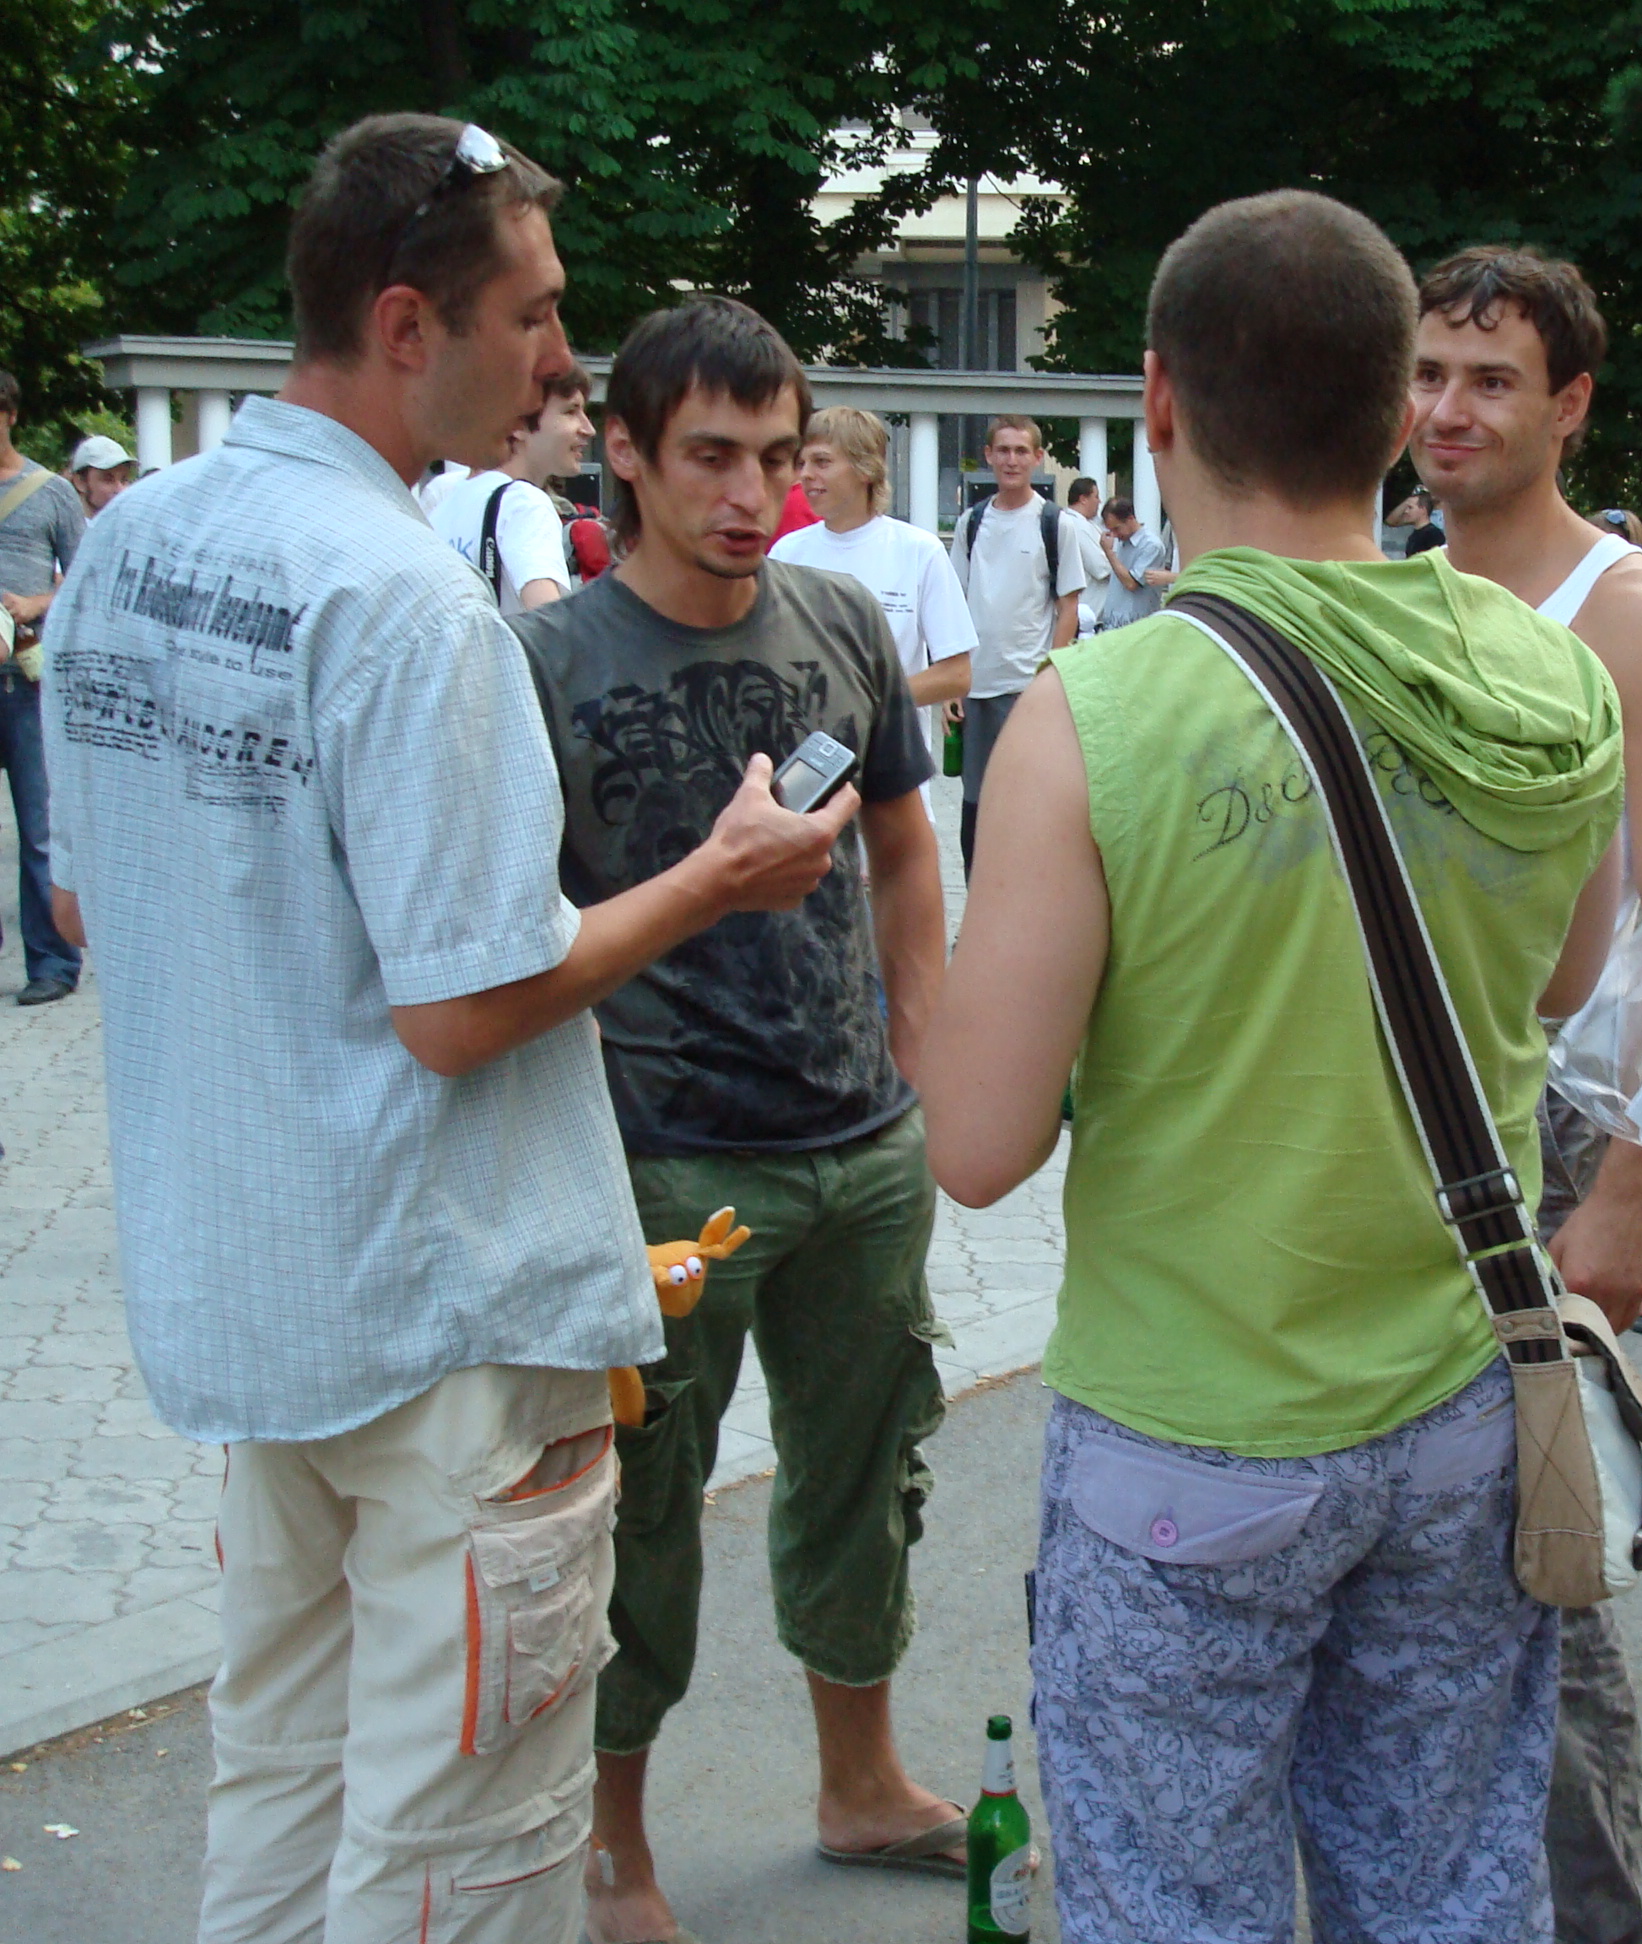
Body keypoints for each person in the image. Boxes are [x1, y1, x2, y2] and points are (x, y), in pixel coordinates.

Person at [38, 114, 853, 1941]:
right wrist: (715, 878)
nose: (563, 358)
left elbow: (88, 905)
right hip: (445, 1318)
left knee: (286, 1776)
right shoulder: (408, 602)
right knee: (467, 1845)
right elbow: (465, 1006)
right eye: (535, 315)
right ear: (407, 325)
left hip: (260, 1299)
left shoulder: (135, 542)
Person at [919, 189, 1625, 1944]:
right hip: (1465, 1409)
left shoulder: (1100, 713)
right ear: (1397, 410)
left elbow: (978, 1143)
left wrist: (896, 928)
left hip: (1192, 1445)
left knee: (1176, 1902)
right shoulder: (1552, 674)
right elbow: (1566, 977)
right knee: (1448, 1888)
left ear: (1158, 399)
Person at [513, 297, 961, 1940]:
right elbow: (506, 926)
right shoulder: (543, 659)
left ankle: (861, 1780)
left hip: (859, 1141)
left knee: (870, 1472)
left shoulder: (839, 614)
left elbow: (903, 841)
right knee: (635, 1510)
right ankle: (612, 1844)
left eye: (777, 456)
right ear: (625, 451)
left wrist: (920, 1043)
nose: (752, 491)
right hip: (659, 1157)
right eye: (711, 455)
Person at [1410, 241, 1642, 1944]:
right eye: (1427, 375)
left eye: (1491, 380)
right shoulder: (1394, 592)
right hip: (1410, 1126)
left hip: (1556, 1138)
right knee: (1418, 1553)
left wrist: (1635, 1197)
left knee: (1547, 1546)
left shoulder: (1634, 622)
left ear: (1572, 406)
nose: (1447, 410)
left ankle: (1603, 1906)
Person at [771, 405, 977, 797]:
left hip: (891, 778)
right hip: (805, 780)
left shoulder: (919, 551)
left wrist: (865, 702)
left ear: (865, 469)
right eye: (802, 462)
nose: (806, 475)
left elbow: (956, 674)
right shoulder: (785, 554)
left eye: (822, 462)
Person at [949, 413, 1088, 869]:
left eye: (1021, 451)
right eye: (1003, 450)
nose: (1012, 460)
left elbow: (1068, 607)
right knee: (975, 808)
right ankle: (976, 902)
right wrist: (951, 685)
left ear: (1038, 458)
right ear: (988, 456)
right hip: (976, 687)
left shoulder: (1055, 524)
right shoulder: (971, 523)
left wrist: (1048, 681)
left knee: (1028, 803)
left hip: (1025, 687)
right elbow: (954, 605)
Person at [0, 366, 86, 1006]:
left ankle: (53, 963)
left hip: (26, 681)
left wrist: (34, 603)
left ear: (9, 414)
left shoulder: (51, 492)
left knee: (37, 827)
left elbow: (85, 580)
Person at [432, 364, 591, 611]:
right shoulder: (525, 504)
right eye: (570, 411)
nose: (588, 429)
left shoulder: (443, 509)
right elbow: (547, 623)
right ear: (518, 424)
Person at [1091, 495, 1172, 630]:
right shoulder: (1120, 541)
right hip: (1113, 623)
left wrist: (1109, 553)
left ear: (1130, 519)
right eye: (1111, 530)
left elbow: (1131, 583)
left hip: (1137, 625)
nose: (1114, 535)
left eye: (1117, 529)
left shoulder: (1151, 545)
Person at [1064, 474, 1112, 630]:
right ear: (1083, 499)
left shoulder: (1081, 523)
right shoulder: (1077, 526)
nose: (1099, 501)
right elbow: (1101, 568)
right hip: (1085, 614)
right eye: (1096, 496)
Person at [67, 433, 135, 514]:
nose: (120, 490)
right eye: (108, 480)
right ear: (80, 482)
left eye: (124, 480)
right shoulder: (63, 520)